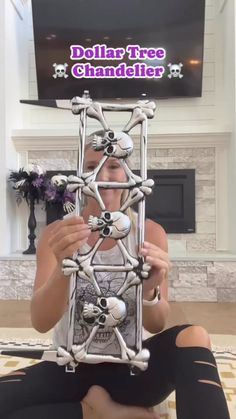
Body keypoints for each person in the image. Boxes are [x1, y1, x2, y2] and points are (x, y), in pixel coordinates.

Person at [0, 136, 230, 419]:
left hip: (131, 371)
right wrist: (63, 266)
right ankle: (96, 410)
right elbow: (41, 321)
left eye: (113, 165)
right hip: (69, 369)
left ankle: (100, 408)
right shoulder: (56, 235)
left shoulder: (149, 233)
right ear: (82, 175)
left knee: (195, 336)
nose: (103, 175)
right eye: (92, 166)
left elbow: (157, 323)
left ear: (128, 175)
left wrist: (149, 291)